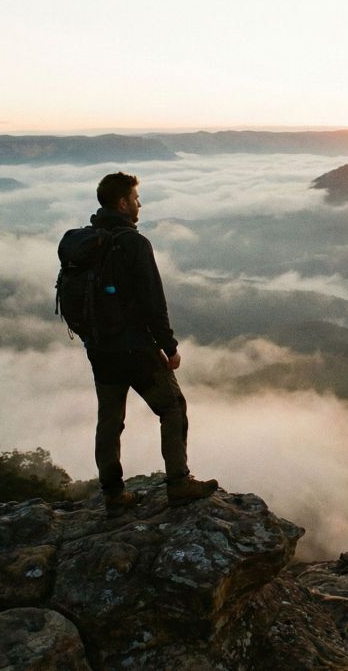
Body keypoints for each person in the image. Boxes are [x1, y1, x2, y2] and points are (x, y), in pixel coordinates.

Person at [83, 171, 216, 515]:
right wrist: (169, 346)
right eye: (136, 198)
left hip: (99, 349)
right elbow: (152, 303)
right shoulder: (133, 244)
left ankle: (113, 494)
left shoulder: (86, 242)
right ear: (123, 202)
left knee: (109, 421)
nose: (140, 204)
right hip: (135, 349)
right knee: (173, 408)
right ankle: (179, 483)